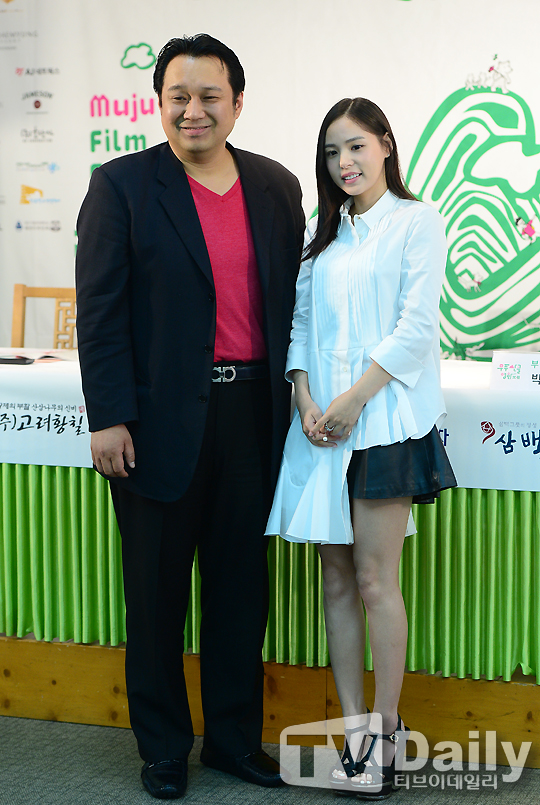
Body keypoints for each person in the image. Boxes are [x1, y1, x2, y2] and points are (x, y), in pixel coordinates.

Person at [75, 34, 304, 800]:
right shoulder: (121, 186)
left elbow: (295, 304)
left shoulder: (275, 187)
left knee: (240, 590)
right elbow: (100, 311)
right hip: (154, 424)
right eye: (179, 96)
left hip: (252, 415)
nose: (193, 110)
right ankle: (164, 746)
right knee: (156, 594)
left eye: (210, 96)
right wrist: (109, 415)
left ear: (237, 103)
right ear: (160, 103)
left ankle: (233, 741)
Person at [266, 97, 457, 799]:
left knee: (377, 581)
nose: (344, 162)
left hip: (384, 425)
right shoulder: (321, 238)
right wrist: (306, 398)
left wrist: (352, 400)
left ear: (385, 144)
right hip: (321, 429)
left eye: (355, 146)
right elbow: (298, 327)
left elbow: (416, 328)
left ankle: (387, 728)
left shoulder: (416, 221)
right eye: (331, 152)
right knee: (337, 582)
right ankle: (354, 735)